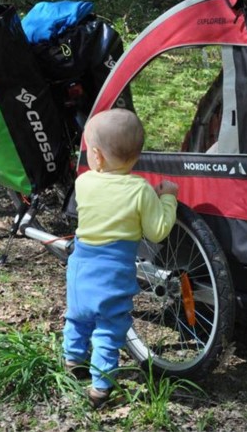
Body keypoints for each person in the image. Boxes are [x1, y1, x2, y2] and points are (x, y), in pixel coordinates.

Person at [63, 108, 179, 409]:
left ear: (97, 157)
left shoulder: (84, 183)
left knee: (77, 317)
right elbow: (157, 232)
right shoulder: (140, 190)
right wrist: (167, 197)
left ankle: (73, 359)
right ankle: (100, 389)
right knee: (109, 328)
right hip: (113, 273)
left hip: (80, 268)